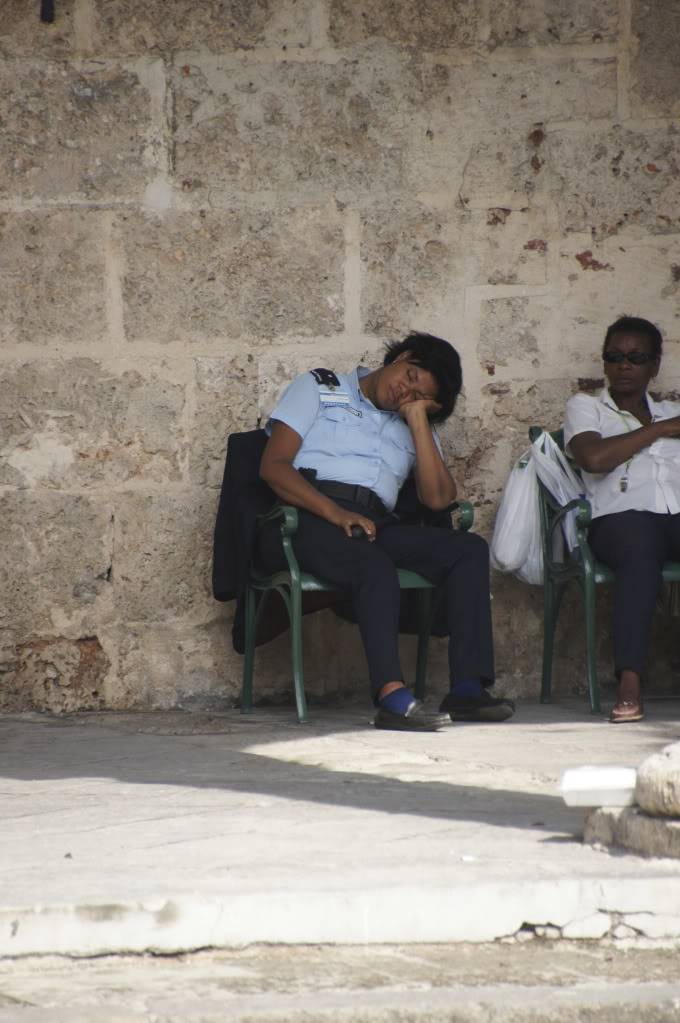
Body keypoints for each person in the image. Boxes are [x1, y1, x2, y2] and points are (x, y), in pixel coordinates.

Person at [258, 331, 515, 731]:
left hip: (372, 521)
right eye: (410, 376)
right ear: (401, 357)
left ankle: (467, 689)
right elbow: (273, 466)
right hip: (307, 513)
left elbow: (438, 499)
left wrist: (416, 421)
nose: (404, 393)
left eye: (418, 396)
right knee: (372, 563)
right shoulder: (320, 387)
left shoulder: (412, 425)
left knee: (467, 549)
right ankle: (392, 697)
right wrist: (333, 513)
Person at [564, 315, 680, 723]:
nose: (623, 366)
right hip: (618, 522)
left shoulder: (674, 409)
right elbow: (594, 459)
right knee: (639, 554)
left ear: (654, 365)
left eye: (635, 357)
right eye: (614, 357)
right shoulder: (587, 408)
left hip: (675, 516)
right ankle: (630, 679)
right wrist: (660, 430)